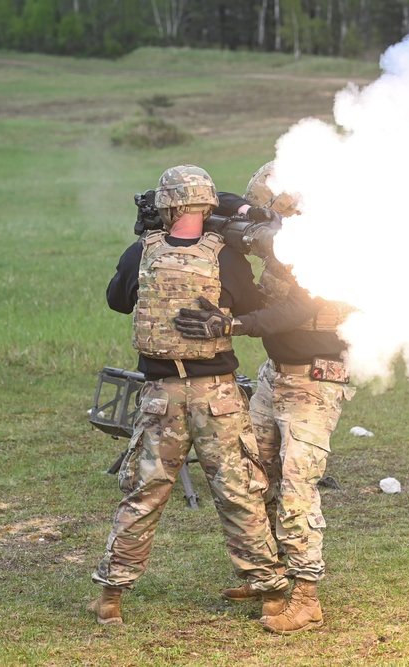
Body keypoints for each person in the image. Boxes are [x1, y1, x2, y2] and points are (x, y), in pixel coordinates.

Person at [87, 164, 291, 625]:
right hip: (216, 395)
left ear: (165, 206)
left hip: (161, 396)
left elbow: (118, 300)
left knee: (143, 494)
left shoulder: (141, 252)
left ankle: (111, 597)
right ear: (205, 205)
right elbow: (254, 308)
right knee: (239, 490)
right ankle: (271, 592)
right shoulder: (225, 257)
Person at [175, 161, 355, 635]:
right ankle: (270, 578)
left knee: (297, 489)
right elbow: (236, 203)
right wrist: (216, 209)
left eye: (275, 212)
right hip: (276, 376)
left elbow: (296, 310)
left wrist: (234, 325)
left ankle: (307, 597)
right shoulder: (283, 242)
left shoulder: (333, 248)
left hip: (314, 384)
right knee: (256, 475)